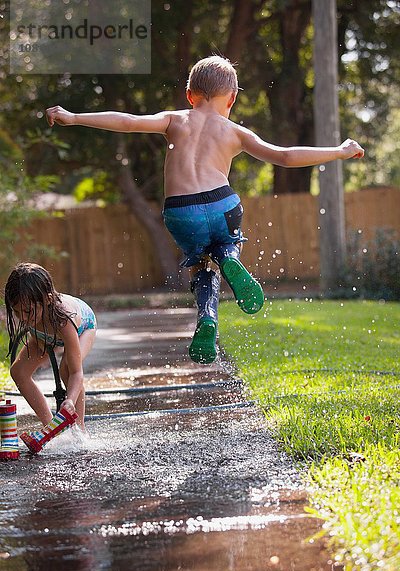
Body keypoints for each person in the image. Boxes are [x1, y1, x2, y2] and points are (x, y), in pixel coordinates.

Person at [45, 55, 364, 364]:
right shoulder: (235, 132)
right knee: (225, 244)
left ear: (189, 95)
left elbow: (127, 122)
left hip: (181, 213)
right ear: (232, 99)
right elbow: (284, 156)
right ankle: (229, 258)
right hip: (222, 204)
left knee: (200, 265)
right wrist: (338, 151)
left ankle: (207, 316)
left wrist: (73, 117)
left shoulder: (175, 119)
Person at [4, 263, 97, 451]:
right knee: (18, 372)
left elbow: (77, 372)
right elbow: (30, 320)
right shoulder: (30, 313)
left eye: (27, 311)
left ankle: (80, 432)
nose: (22, 318)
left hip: (82, 327)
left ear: (46, 299)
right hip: (45, 333)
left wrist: (69, 400)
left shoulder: (64, 318)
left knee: (67, 369)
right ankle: (52, 429)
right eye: (16, 312)